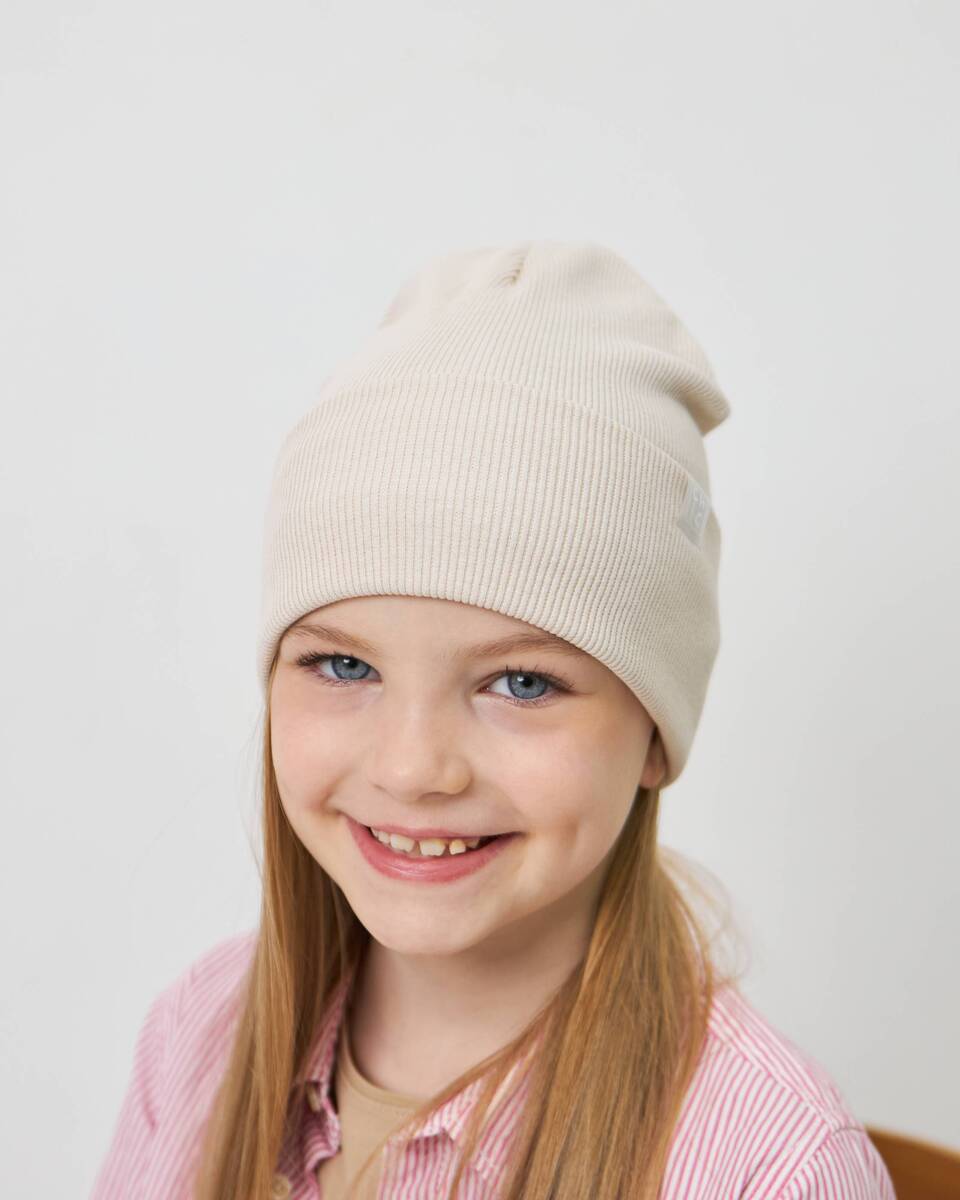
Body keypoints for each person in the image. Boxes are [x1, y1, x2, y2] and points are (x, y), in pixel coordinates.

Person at [90, 241, 896, 1200]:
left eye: (520, 683)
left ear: (654, 729)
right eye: (344, 665)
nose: (411, 767)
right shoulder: (197, 1038)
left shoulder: (772, 1170)